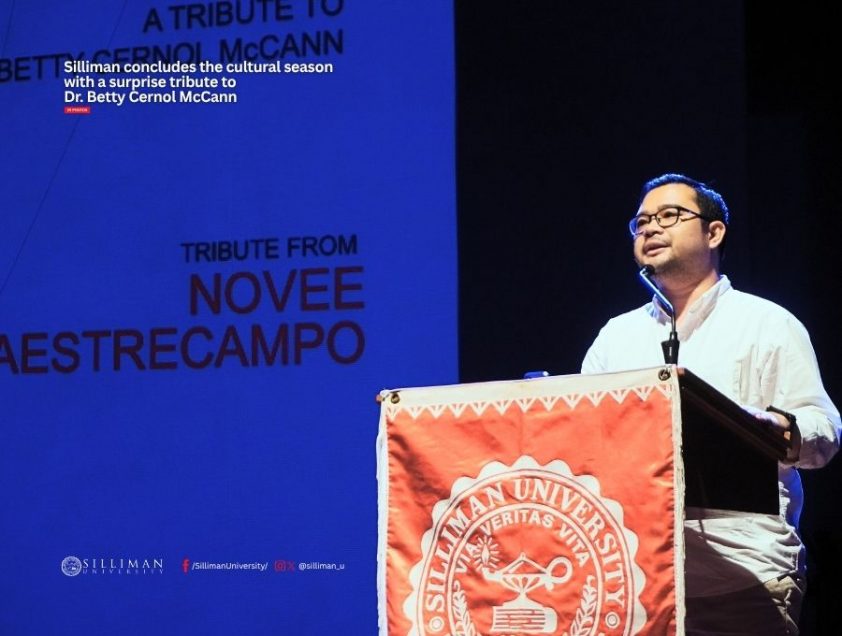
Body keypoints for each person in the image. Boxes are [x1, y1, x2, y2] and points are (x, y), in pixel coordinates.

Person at [581, 173, 841, 635]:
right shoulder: (615, 336)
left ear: (714, 232)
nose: (650, 228)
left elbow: (823, 429)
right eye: (641, 222)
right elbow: (584, 436)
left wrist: (773, 428)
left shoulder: (766, 323)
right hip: (637, 579)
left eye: (669, 216)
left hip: (740, 578)